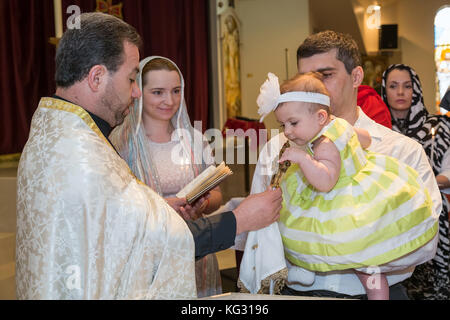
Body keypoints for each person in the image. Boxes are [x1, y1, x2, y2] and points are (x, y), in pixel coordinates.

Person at [15, 12, 282, 299]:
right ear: (96, 77)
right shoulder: (81, 154)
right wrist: (238, 220)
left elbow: (112, 223)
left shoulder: (58, 130)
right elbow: (150, 244)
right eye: (132, 79)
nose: (136, 92)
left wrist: (160, 209)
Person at [243, 30, 440, 299]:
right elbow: (261, 231)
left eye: (325, 75)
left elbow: (425, 241)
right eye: (305, 78)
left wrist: (351, 250)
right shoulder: (276, 150)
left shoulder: (399, 149)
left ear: (356, 76)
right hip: (299, 292)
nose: (312, 87)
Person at [109, 56, 223, 297]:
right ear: (138, 91)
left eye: (176, 91)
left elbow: (217, 195)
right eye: (158, 92)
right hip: (146, 251)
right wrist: (163, 207)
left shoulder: (194, 139)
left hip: (194, 244)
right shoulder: (120, 143)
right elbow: (112, 205)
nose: (169, 101)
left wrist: (202, 205)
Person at [381, 63, 450, 299]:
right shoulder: (376, 131)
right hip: (389, 217)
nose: (400, 92)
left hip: (432, 214)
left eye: (407, 86)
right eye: (393, 86)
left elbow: (448, 173)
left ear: (416, 90)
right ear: (384, 90)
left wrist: (422, 181)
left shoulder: (438, 127)